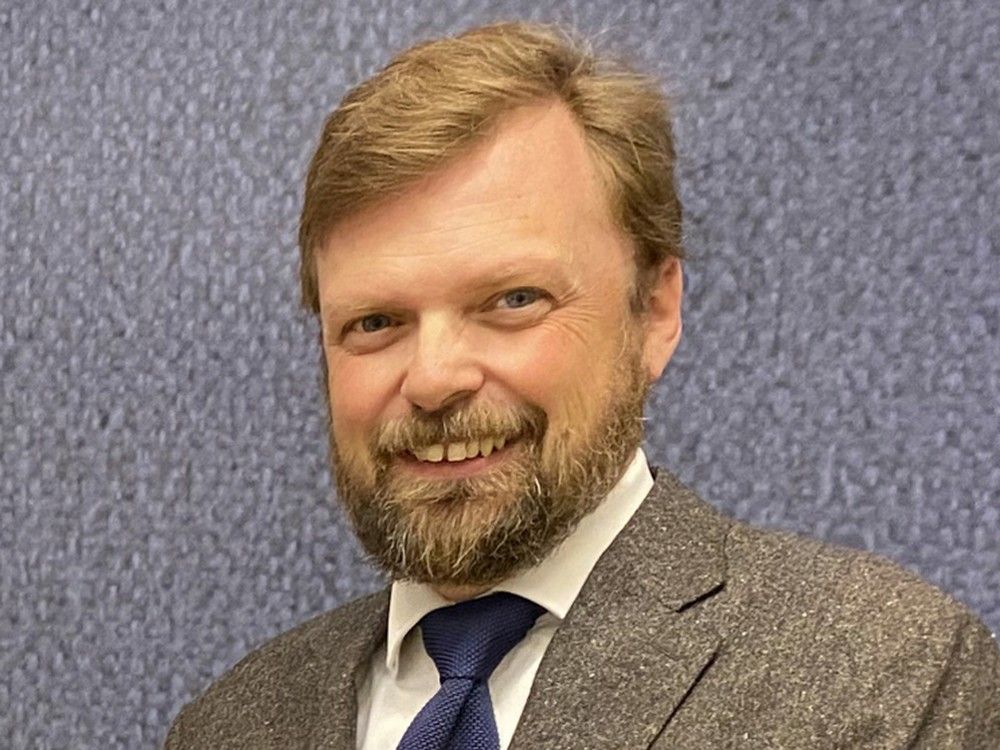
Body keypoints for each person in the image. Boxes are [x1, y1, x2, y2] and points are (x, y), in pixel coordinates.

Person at [165, 20, 1000, 749]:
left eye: (513, 301)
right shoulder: (230, 726)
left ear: (654, 311)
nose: (434, 379)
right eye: (376, 322)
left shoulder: (879, 674)